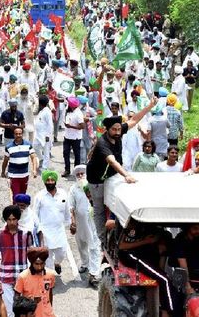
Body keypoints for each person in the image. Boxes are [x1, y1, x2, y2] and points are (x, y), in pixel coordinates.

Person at [86, 96, 157, 244]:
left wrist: (149, 106)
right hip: (97, 179)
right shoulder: (102, 143)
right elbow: (112, 161)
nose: (118, 132)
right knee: (99, 208)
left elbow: (134, 120)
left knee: (117, 201)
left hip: (111, 175)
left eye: (119, 129)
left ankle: (117, 228)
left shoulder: (119, 130)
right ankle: (101, 238)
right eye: (114, 130)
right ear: (108, 129)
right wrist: (126, 175)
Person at [119, 220, 173, 316]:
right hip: (131, 255)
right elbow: (122, 246)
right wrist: (147, 241)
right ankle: (167, 313)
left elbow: (162, 255)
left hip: (145, 253)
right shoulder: (135, 227)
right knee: (165, 280)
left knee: (163, 278)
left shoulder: (160, 233)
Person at [0, 205, 33, 317]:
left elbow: (31, 253)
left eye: (14, 219)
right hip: (6, 276)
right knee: (9, 311)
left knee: (24, 310)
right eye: (9, 219)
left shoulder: (26, 233)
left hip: (23, 276)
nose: (11, 222)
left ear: (18, 219)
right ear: (5, 219)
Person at [34, 170, 72, 275]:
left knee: (62, 253)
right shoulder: (39, 196)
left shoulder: (63, 193)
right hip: (45, 231)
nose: (50, 182)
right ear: (44, 182)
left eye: (52, 180)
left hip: (59, 230)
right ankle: (50, 278)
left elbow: (67, 210)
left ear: (55, 181)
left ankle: (57, 263)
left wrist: (71, 224)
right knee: (48, 256)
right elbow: (35, 214)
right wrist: (38, 229)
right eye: (48, 180)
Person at [69, 165, 101, 286]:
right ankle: (85, 264)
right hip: (80, 223)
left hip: (93, 222)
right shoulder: (73, 189)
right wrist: (73, 222)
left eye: (82, 173)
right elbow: (71, 207)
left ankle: (94, 273)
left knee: (94, 245)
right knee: (81, 244)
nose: (81, 176)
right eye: (78, 174)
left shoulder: (93, 186)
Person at [14, 247, 56, 317]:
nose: (39, 267)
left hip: (48, 314)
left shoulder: (50, 274)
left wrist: (50, 308)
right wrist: (31, 301)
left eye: (42, 264)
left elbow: (50, 293)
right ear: (32, 262)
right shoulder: (22, 277)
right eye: (36, 264)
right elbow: (16, 298)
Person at [2, 128, 39, 198]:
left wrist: (34, 170)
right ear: (14, 135)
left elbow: (33, 157)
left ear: (22, 134)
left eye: (20, 134)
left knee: (23, 195)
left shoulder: (28, 145)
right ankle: (15, 209)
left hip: (24, 175)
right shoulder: (8, 147)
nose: (18, 135)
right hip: (13, 176)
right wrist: (3, 172)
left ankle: (21, 209)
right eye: (16, 134)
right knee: (16, 196)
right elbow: (5, 160)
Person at [62, 97, 84, 176]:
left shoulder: (78, 114)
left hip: (75, 138)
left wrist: (70, 126)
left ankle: (77, 171)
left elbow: (82, 126)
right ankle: (67, 170)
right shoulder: (68, 110)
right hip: (67, 136)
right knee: (65, 153)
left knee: (76, 155)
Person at [33, 95, 54, 171]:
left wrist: (48, 135)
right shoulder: (42, 111)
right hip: (39, 135)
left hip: (45, 135)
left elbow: (50, 125)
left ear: (40, 103)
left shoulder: (47, 112)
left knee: (46, 151)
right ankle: (41, 159)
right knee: (34, 146)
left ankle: (44, 167)